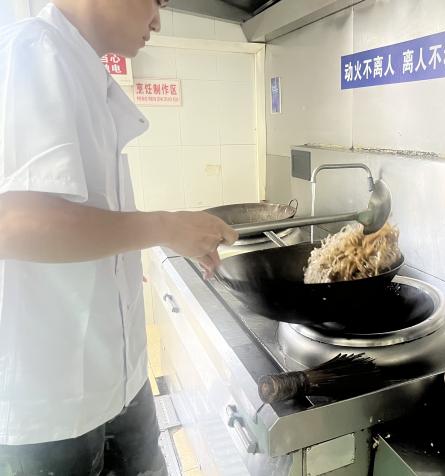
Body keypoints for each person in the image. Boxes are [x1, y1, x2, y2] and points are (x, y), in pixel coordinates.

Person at [0, 0, 238, 474]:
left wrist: (158, 236)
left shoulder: (83, 69)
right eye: (156, 0)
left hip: (119, 381)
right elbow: (15, 224)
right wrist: (165, 226)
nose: (158, 20)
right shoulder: (33, 51)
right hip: (50, 414)